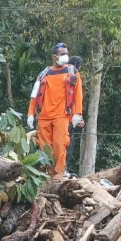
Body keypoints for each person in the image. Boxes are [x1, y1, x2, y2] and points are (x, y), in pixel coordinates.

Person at [26, 42, 84, 182]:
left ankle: (59, 173)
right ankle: (48, 172)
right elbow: (34, 95)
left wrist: (78, 113)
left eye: (66, 53)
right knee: (44, 146)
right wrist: (30, 114)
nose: (65, 56)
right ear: (54, 56)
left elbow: (78, 93)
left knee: (60, 144)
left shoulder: (72, 72)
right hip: (44, 116)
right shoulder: (44, 73)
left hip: (62, 115)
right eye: (62, 54)